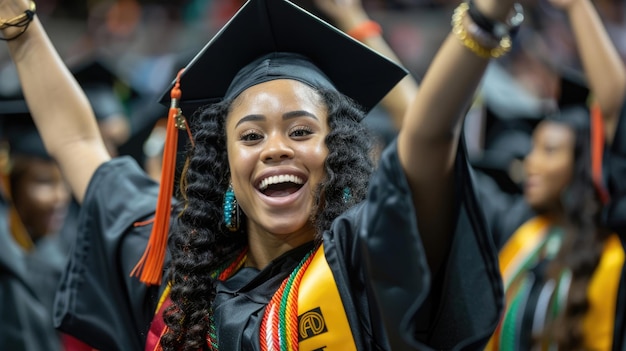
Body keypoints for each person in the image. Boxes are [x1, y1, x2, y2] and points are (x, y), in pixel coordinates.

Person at [1, 0, 519, 350]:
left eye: (300, 132)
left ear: (334, 151)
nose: (274, 149)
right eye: (251, 136)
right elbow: (78, 143)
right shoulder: (182, 267)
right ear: (225, 166)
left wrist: (484, 21)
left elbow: (429, 139)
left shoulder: (361, 263)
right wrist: (19, 23)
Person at [479, 0, 626, 349]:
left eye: (549, 151)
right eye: (532, 149)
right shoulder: (518, 227)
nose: (531, 163)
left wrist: (576, 7)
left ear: (580, 166)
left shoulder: (613, 249)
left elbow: (616, 115)